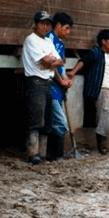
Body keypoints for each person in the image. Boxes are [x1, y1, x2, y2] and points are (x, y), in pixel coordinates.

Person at [67, 30, 109, 154]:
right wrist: (73, 71)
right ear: (103, 41)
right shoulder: (95, 52)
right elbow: (83, 60)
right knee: (104, 120)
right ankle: (102, 148)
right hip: (103, 91)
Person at [22, 11, 64, 165]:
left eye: (48, 24)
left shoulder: (48, 42)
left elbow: (59, 61)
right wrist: (51, 61)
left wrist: (51, 62)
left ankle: (43, 154)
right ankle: (33, 154)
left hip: (48, 81)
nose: (45, 27)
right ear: (35, 24)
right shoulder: (31, 40)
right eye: (42, 23)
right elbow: (47, 60)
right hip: (35, 81)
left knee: (47, 120)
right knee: (36, 119)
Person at [46, 12, 74, 161]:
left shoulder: (60, 43)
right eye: (67, 28)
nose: (68, 32)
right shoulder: (48, 39)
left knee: (55, 121)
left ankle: (56, 156)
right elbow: (51, 65)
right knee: (60, 123)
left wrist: (65, 79)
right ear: (58, 26)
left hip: (58, 87)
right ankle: (55, 156)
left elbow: (61, 67)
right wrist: (61, 80)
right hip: (50, 86)